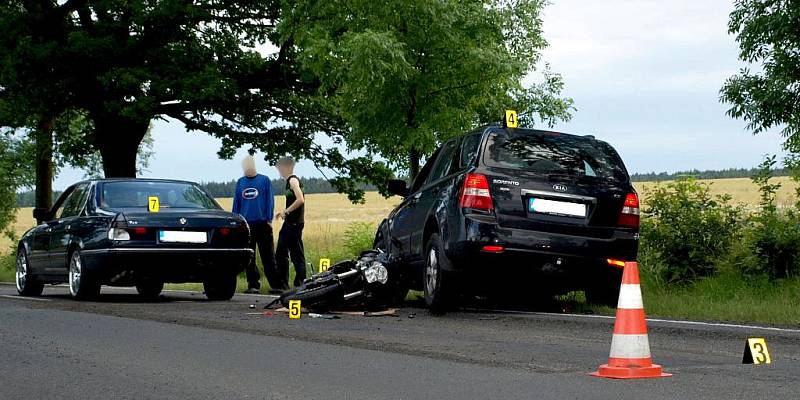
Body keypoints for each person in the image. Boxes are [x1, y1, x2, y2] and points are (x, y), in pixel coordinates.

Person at [232, 155, 284, 293]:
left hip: (262, 224)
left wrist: (268, 220)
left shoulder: (264, 180)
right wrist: (236, 221)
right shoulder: (240, 182)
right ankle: (253, 284)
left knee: (268, 256)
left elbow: (269, 201)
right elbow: (236, 203)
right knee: (249, 258)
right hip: (246, 225)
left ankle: (276, 285)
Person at [275, 157, 307, 287]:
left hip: (294, 223)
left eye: (280, 167)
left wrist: (286, 211)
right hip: (289, 223)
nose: (279, 170)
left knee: (296, 254)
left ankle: (300, 283)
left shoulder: (293, 180)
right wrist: (282, 212)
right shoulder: (289, 181)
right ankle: (283, 283)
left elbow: (300, 199)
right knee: (281, 253)